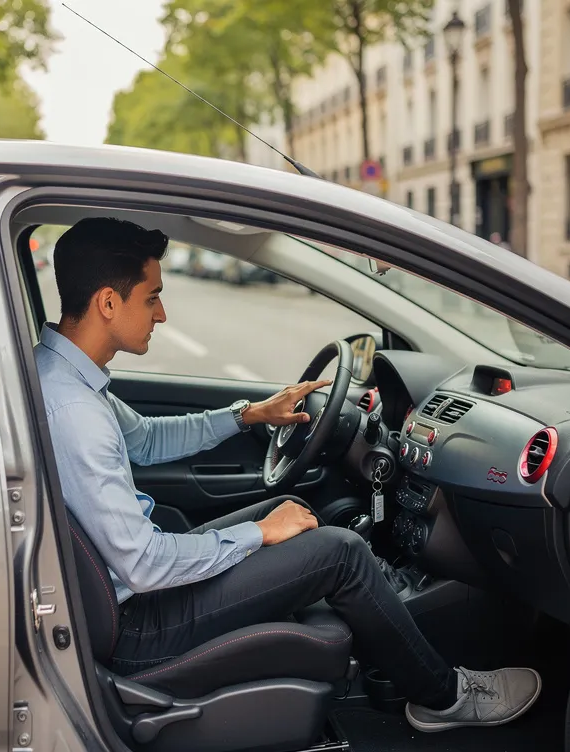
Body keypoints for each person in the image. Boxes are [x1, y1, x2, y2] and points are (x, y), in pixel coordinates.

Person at [34, 217, 541, 733]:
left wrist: (248, 414)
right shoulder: (74, 409)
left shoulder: (62, 376)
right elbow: (143, 563)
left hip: (133, 589)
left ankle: (381, 607)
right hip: (141, 621)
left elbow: (144, 440)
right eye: (152, 297)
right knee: (340, 552)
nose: (162, 313)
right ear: (108, 303)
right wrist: (257, 534)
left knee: (297, 513)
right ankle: (444, 696)